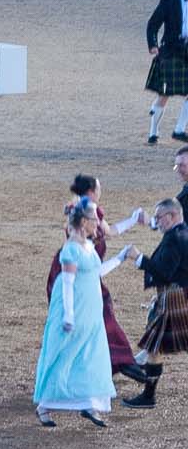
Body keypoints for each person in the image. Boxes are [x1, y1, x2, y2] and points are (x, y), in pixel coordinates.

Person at [34, 197, 135, 427]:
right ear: (83, 222)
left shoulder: (88, 246)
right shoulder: (70, 249)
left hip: (90, 309)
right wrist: (68, 316)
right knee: (66, 353)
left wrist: (120, 258)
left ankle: (90, 404)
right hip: (75, 309)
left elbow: (97, 271)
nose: (98, 224)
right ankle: (45, 406)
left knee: (90, 355)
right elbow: (67, 284)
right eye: (95, 220)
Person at [53, 174, 154, 395]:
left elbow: (109, 232)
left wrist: (134, 219)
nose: (101, 190)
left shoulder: (86, 209)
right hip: (79, 275)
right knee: (100, 317)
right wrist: (120, 258)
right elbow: (96, 256)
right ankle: (121, 362)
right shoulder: (84, 213)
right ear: (90, 191)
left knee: (97, 319)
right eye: (98, 188)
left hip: (84, 274)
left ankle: (111, 364)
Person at [122, 197, 188, 406]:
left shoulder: (175, 238)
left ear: (172, 216)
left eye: (159, 217)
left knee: (154, 347)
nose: (156, 221)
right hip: (174, 295)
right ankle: (148, 394)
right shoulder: (181, 233)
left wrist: (139, 258)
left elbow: (164, 272)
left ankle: (149, 396)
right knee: (155, 348)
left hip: (175, 298)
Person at [144, 0, 188, 146]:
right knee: (164, 94)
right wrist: (153, 45)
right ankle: (153, 132)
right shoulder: (168, 2)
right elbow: (152, 25)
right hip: (170, 51)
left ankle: (179, 129)